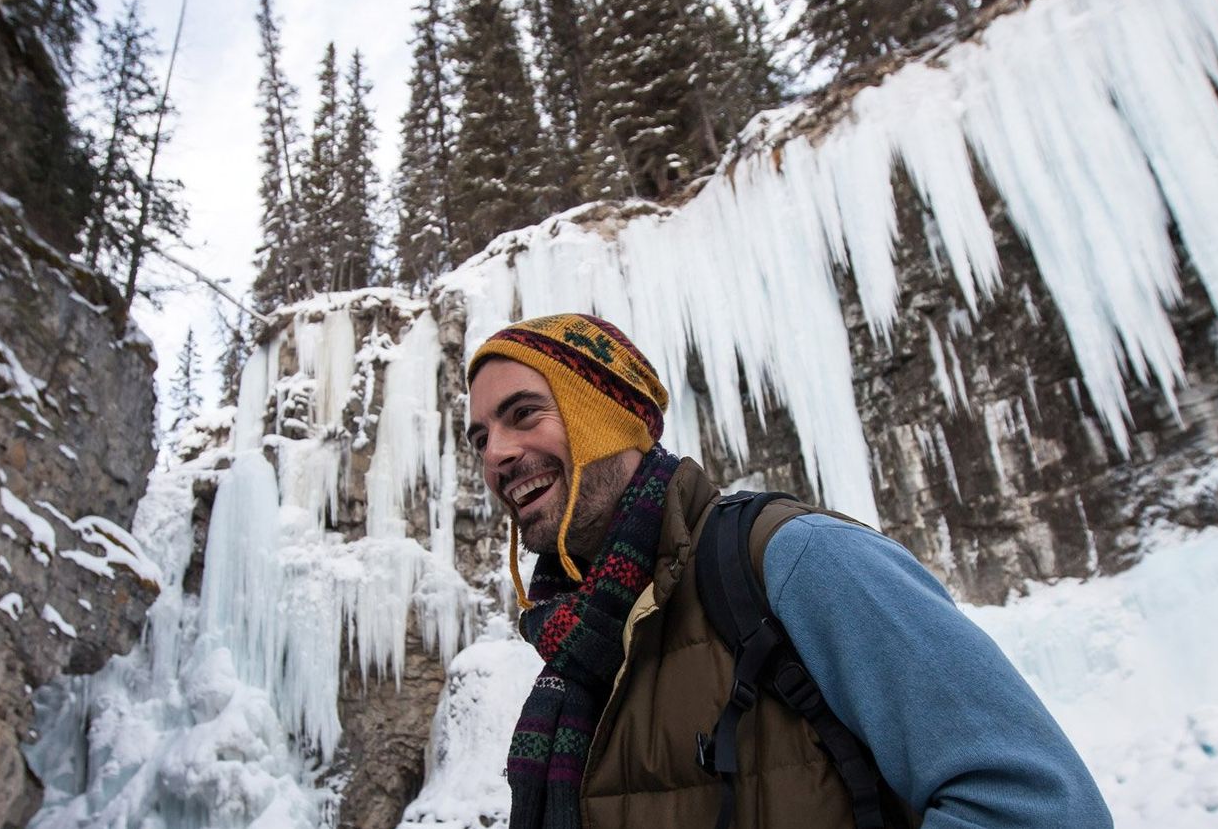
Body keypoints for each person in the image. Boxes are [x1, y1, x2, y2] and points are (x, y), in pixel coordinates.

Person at [464, 313, 1112, 829]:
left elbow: (1037, 805)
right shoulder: (582, 645)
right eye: (480, 438)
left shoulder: (793, 561)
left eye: (524, 414)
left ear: (606, 421)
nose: (497, 453)